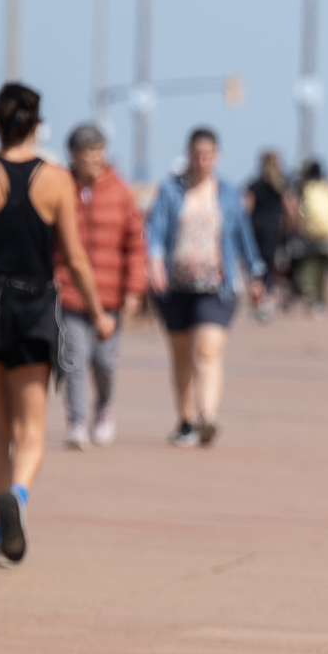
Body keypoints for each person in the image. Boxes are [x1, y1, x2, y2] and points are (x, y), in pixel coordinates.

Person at [0, 82, 114, 566]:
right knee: (32, 430)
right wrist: (96, 311)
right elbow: (73, 255)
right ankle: (20, 498)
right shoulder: (56, 181)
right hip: (32, 310)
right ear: (37, 125)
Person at [142, 127, 265, 447]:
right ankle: (185, 420)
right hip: (175, 288)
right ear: (188, 155)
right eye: (196, 156)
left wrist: (255, 273)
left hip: (217, 288)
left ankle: (207, 415)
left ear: (216, 156)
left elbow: (243, 236)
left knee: (207, 350)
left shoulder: (228, 193)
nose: (201, 162)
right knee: (181, 355)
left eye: (207, 156)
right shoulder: (170, 191)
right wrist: (154, 264)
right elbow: (154, 232)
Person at [54, 120, 144, 450]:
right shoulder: (61, 186)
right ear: (73, 155)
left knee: (104, 361)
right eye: (87, 152)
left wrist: (135, 288)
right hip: (69, 291)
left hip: (110, 294)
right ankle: (76, 422)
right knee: (74, 358)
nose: (94, 158)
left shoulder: (119, 192)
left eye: (99, 151)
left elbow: (136, 242)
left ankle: (104, 406)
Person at [247, 149, 296, 321]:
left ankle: (258, 300)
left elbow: (247, 208)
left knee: (255, 265)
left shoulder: (254, 184)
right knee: (269, 266)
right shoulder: (282, 184)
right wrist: (290, 227)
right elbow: (290, 208)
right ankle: (265, 299)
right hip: (274, 229)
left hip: (256, 228)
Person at [293, 158, 328, 310]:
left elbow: (297, 210)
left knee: (307, 263)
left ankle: (307, 288)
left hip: (309, 232)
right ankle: (319, 300)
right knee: (322, 268)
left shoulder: (304, 188)